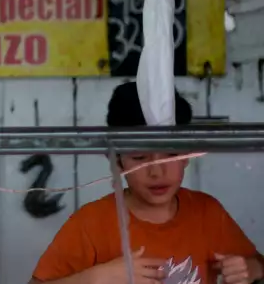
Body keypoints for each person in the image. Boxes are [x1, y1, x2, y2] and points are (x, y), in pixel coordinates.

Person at [30, 81, 263, 284]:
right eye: (140, 158)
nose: (156, 171)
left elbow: (258, 266)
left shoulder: (207, 213)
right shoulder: (90, 225)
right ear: (116, 160)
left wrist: (251, 269)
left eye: (171, 155)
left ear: (187, 156)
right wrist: (92, 279)